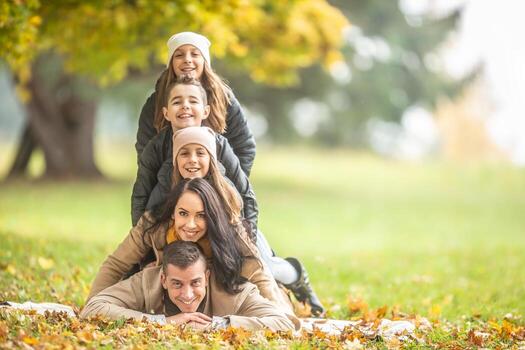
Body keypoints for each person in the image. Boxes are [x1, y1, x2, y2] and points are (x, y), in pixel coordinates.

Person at [150, 126, 325, 316]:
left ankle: (296, 274)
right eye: (185, 154)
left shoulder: (225, 188)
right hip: (216, 240)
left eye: (200, 153)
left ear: (211, 159)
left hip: (242, 231)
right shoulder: (170, 187)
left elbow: (247, 201)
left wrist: (247, 235)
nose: (192, 160)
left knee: (267, 268)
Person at [88, 178, 292, 316]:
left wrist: (282, 315)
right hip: (179, 280)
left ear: (211, 217)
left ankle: (293, 274)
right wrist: (91, 303)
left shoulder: (229, 233)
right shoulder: (153, 227)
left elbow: (258, 273)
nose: (191, 224)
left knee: (272, 269)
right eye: (183, 214)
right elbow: (116, 264)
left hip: (234, 275)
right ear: (172, 213)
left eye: (201, 216)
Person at [81, 241, 299, 331]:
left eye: (195, 283)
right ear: (164, 280)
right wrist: (163, 322)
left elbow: (283, 322)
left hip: (270, 277)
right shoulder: (147, 280)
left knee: (273, 272)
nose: (187, 294)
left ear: (206, 276)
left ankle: (295, 274)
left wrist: (219, 324)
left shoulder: (236, 291)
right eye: (177, 283)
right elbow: (94, 307)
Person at [135, 31, 255, 177]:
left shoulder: (224, 99)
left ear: (205, 60)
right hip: (169, 189)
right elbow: (144, 148)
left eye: (195, 54)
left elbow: (244, 147)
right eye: (179, 55)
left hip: (216, 188)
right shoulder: (156, 101)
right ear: (171, 63)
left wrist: (229, 187)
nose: (187, 59)